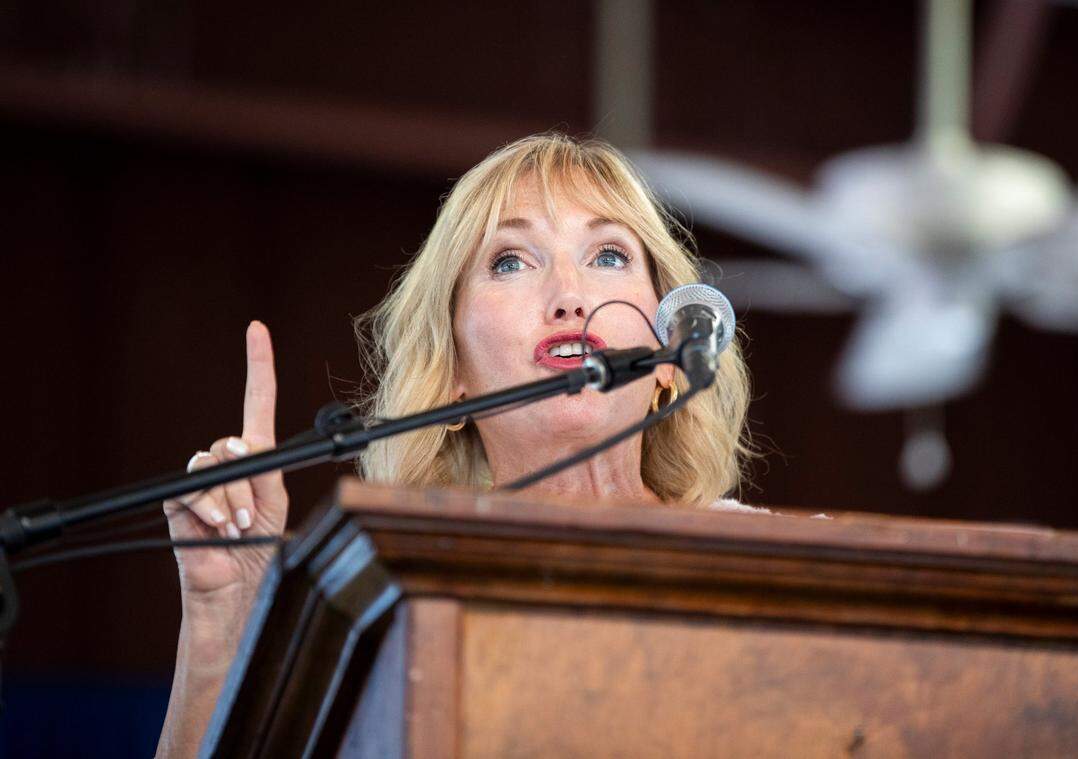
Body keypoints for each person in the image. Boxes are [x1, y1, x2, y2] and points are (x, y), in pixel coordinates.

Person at [155, 133, 756, 756]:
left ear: (672, 357)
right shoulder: (383, 607)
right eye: (511, 261)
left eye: (607, 255)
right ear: (451, 372)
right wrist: (221, 626)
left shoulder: (771, 565)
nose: (571, 295)